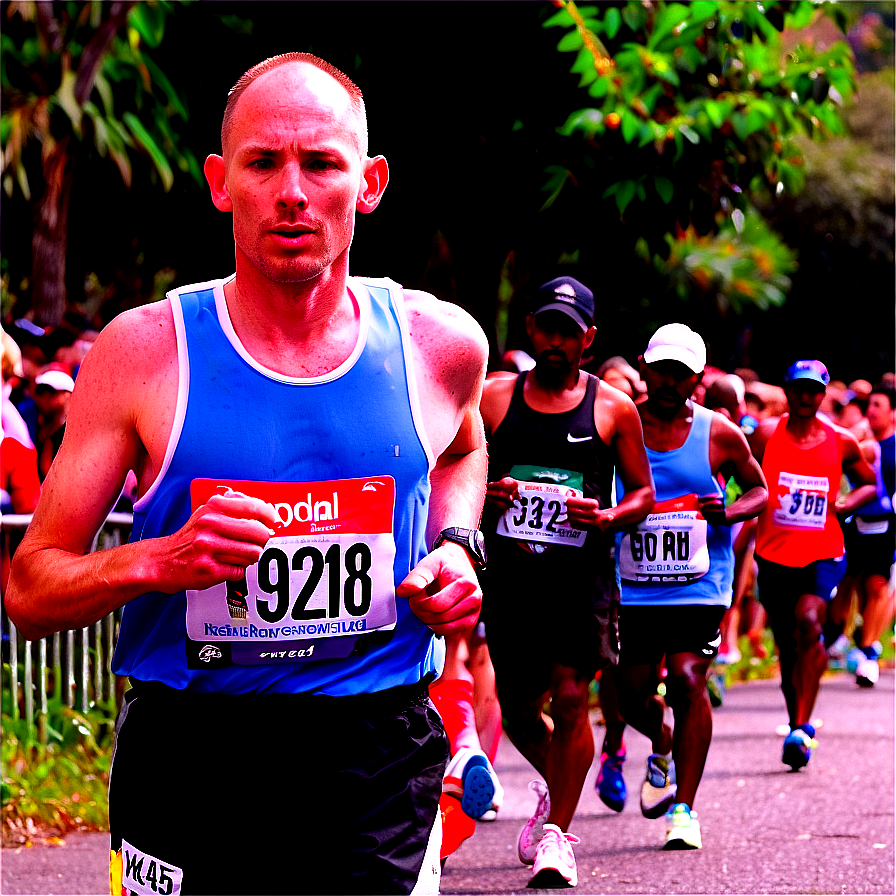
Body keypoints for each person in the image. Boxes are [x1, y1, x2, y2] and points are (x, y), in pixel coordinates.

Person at [6, 52, 490, 896]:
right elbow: (31, 585)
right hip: (191, 753)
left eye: (322, 162)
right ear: (221, 181)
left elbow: (464, 450)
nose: (292, 191)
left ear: (369, 182)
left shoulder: (440, 346)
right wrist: (157, 560)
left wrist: (455, 544)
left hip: (376, 754)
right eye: (264, 162)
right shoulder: (145, 352)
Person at [479, 275, 655, 888]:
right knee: (521, 709)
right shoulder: (494, 398)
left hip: (581, 580)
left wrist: (606, 515)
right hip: (512, 579)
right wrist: (487, 494)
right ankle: (559, 786)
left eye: (570, 332)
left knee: (573, 694)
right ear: (531, 329)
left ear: (589, 340)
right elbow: (455, 472)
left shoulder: (612, 407)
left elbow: (642, 493)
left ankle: (558, 839)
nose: (556, 341)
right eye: (548, 328)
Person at [607, 324, 767, 850]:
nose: (670, 382)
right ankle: (662, 739)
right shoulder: (616, 425)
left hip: (701, 584)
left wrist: (731, 508)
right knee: (629, 696)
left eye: (682, 373)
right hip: (631, 585)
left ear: (698, 378)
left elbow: (759, 490)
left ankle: (685, 808)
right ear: (644, 368)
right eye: (662, 371)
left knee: (686, 677)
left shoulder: (719, 432)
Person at [750, 360, 877, 771]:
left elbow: (869, 483)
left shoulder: (841, 441)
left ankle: (802, 728)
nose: (806, 397)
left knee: (808, 619)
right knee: (788, 645)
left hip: (823, 550)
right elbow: (740, 473)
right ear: (788, 392)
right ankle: (796, 720)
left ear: (823, 395)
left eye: (814, 390)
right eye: (799, 389)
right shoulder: (767, 435)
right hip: (773, 552)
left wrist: (844, 505)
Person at [827, 382, 896, 686]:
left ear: (893, 412)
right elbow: (838, 447)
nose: (871, 411)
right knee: (845, 582)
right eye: (870, 405)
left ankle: (868, 654)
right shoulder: (860, 441)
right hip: (855, 522)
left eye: (878, 405)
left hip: (887, 526)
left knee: (878, 586)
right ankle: (834, 638)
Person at [31, 368, 74, 482]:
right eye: (40, 391)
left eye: (52, 391)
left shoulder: (75, 435)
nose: (44, 397)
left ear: (68, 395)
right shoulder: (31, 424)